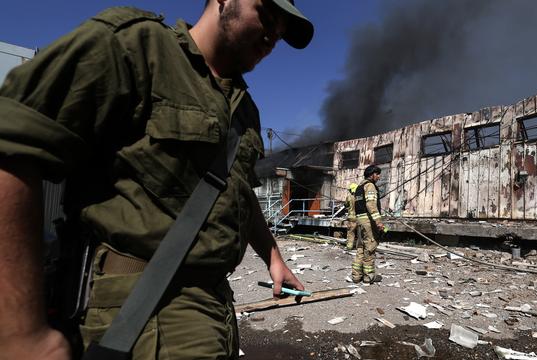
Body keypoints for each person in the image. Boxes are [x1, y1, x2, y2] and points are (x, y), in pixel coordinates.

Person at [0, 0, 313, 359]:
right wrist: (18, 332)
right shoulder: (137, 47)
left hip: (214, 306)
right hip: (140, 309)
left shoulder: (245, 110)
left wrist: (274, 259)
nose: (274, 36)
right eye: (267, 15)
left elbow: (238, 194)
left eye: (283, 31)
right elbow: (12, 146)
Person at [351, 165, 385, 284]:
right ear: (372, 174)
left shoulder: (359, 187)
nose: (379, 176)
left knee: (360, 248)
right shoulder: (370, 186)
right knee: (370, 248)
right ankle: (368, 276)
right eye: (377, 174)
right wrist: (379, 222)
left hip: (360, 221)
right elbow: (371, 205)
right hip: (368, 221)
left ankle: (356, 276)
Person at [344, 183, 358, 250]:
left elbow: (346, 205)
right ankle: (360, 247)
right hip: (359, 218)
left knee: (351, 233)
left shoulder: (349, 197)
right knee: (360, 234)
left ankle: (349, 246)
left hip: (351, 218)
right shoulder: (360, 197)